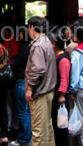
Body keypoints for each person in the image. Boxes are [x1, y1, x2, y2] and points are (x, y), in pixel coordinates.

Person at [25, 16, 57, 146]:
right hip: (48, 91)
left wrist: (29, 88)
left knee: (38, 131)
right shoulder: (47, 42)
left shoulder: (37, 45)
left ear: (32, 27)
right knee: (47, 128)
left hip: (40, 92)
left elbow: (38, 69)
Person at [48, 30, 70, 146]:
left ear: (53, 43)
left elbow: (64, 79)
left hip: (60, 97)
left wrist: (61, 95)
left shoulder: (63, 59)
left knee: (61, 126)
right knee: (57, 125)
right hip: (55, 95)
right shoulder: (56, 57)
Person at [10, 28, 31, 146]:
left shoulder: (25, 48)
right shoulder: (33, 46)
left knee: (22, 111)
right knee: (27, 111)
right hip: (29, 81)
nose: (19, 36)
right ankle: (28, 136)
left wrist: (11, 67)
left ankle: (24, 138)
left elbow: (18, 63)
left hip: (22, 80)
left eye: (21, 33)